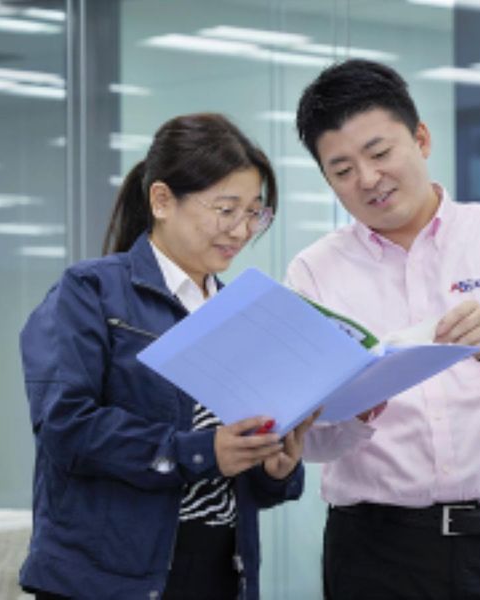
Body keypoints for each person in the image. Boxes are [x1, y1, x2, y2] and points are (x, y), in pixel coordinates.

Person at [286, 60, 480, 599]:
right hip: (374, 553)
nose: (368, 179)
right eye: (342, 170)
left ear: (422, 139)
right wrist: (353, 410)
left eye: (379, 153)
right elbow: (309, 440)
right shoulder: (314, 272)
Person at [19, 113, 315, 600]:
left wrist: (274, 469)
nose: (241, 230)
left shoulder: (243, 313)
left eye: (254, 213)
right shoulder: (90, 291)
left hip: (220, 571)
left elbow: (233, 475)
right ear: (161, 200)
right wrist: (197, 451)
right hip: (108, 580)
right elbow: (65, 426)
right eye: (226, 209)